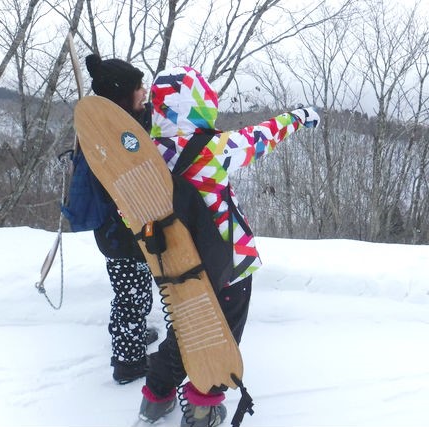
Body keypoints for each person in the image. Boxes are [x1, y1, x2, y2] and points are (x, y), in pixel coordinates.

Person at [137, 66, 319, 427]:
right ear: (201, 104)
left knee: (184, 326)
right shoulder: (214, 149)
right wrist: (298, 117)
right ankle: (203, 407)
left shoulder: (144, 156)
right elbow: (263, 136)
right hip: (229, 265)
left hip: (174, 265)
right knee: (221, 334)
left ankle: (157, 397)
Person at [85, 54, 159, 384]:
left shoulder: (124, 123)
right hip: (120, 233)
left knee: (138, 291)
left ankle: (134, 334)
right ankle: (127, 363)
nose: (144, 92)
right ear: (120, 97)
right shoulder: (108, 136)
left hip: (131, 231)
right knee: (129, 296)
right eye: (138, 88)